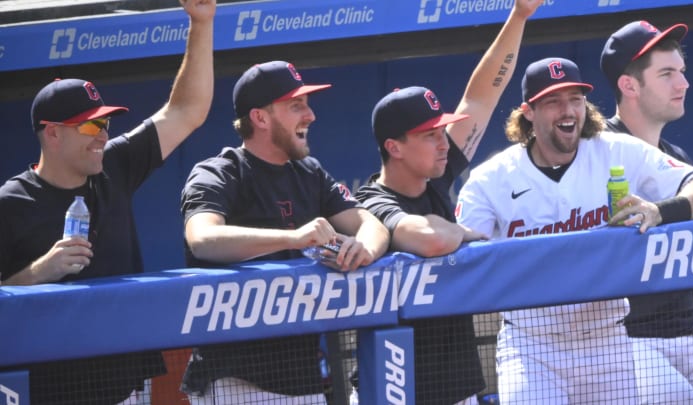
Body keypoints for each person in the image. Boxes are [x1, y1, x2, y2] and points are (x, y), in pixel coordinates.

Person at [455, 56, 693, 404]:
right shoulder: (492, 178)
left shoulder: (618, 151)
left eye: (576, 99)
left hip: (607, 339)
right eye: (553, 101)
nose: (568, 110)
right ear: (528, 112)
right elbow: (463, 257)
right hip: (533, 344)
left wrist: (658, 210)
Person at [0, 0, 215, 403]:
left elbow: (188, 110)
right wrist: (37, 273)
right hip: (51, 391)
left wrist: (201, 23)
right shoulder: (10, 203)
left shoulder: (112, 166)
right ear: (52, 134)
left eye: (106, 123)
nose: (103, 134)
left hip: (125, 385)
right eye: (92, 124)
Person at [354, 1, 541, 403]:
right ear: (394, 147)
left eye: (443, 132)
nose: (444, 143)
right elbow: (429, 239)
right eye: (429, 135)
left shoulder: (435, 179)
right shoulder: (370, 201)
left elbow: (482, 96)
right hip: (395, 389)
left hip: (457, 387)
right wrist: (466, 233)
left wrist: (520, 15)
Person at [179, 60, 390, 404]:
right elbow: (202, 239)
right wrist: (292, 238)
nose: (310, 115)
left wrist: (364, 248)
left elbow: (371, 224)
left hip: (302, 376)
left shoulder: (309, 172)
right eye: (296, 106)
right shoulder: (220, 171)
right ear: (260, 117)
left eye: (306, 104)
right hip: (237, 379)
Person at [601, 20, 693, 404]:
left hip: (690, 334)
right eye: (667, 74)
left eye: (681, 72)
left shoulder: (676, 157)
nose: (683, 84)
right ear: (629, 85)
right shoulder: (595, 152)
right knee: (674, 398)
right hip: (625, 340)